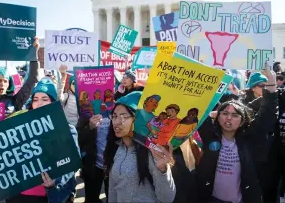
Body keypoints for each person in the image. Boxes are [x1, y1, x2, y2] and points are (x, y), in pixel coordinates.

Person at [195, 66, 277, 203]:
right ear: (217, 116)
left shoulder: (249, 139)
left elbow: (268, 113)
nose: (228, 118)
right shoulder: (210, 135)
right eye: (225, 113)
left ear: (242, 120)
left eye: (234, 115)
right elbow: (199, 107)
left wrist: (271, 82)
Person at [5, 78, 79, 203]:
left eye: (45, 99)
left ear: (53, 102)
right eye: (35, 99)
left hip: (49, 196)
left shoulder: (67, 129)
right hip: (20, 194)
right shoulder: (20, 126)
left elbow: (73, 163)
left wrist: (56, 181)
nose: (39, 103)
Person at [104, 91, 176, 202]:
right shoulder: (115, 148)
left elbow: (167, 198)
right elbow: (113, 190)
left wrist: (163, 170)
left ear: (136, 120)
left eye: (123, 117)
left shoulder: (152, 152)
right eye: (114, 116)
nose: (116, 122)